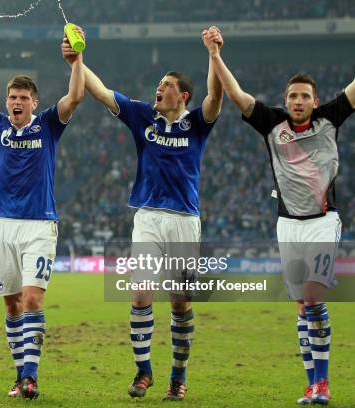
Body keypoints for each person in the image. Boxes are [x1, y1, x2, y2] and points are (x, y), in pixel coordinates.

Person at [204, 27, 354, 406]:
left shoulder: (330, 117)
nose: (298, 101)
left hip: (322, 222)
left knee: (313, 298)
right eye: (292, 96)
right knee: (302, 307)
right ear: (286, 101)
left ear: (315, 101)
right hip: (287, 224)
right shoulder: (273, 124)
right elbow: (237, 97)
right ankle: (311, 385)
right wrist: (215, 54)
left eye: (305, 96)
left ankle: (323, 384)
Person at [73, 27, 224, 401]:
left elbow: (216, 95)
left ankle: (178, 375)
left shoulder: (197, 124)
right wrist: (77, 60)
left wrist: (213, 53)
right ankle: (143, 372)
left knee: (180, 302)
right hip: (148, 217)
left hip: (185, 221)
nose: (158, 88)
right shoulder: (143, 117)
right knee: (140, 294)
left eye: (166, 84)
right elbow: (101, 91)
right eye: (158, 83)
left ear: (183, 95)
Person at [0, 16, 84, 399]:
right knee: (12, 305)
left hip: (39, 226)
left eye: (23, 98)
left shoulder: (47, 126)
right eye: (12, 97)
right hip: (4, 227)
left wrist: (75, 62)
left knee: (32, 299)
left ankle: (30, 376)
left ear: (34, 103)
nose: (16, 102)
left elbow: (75, 97)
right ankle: (19, 373)